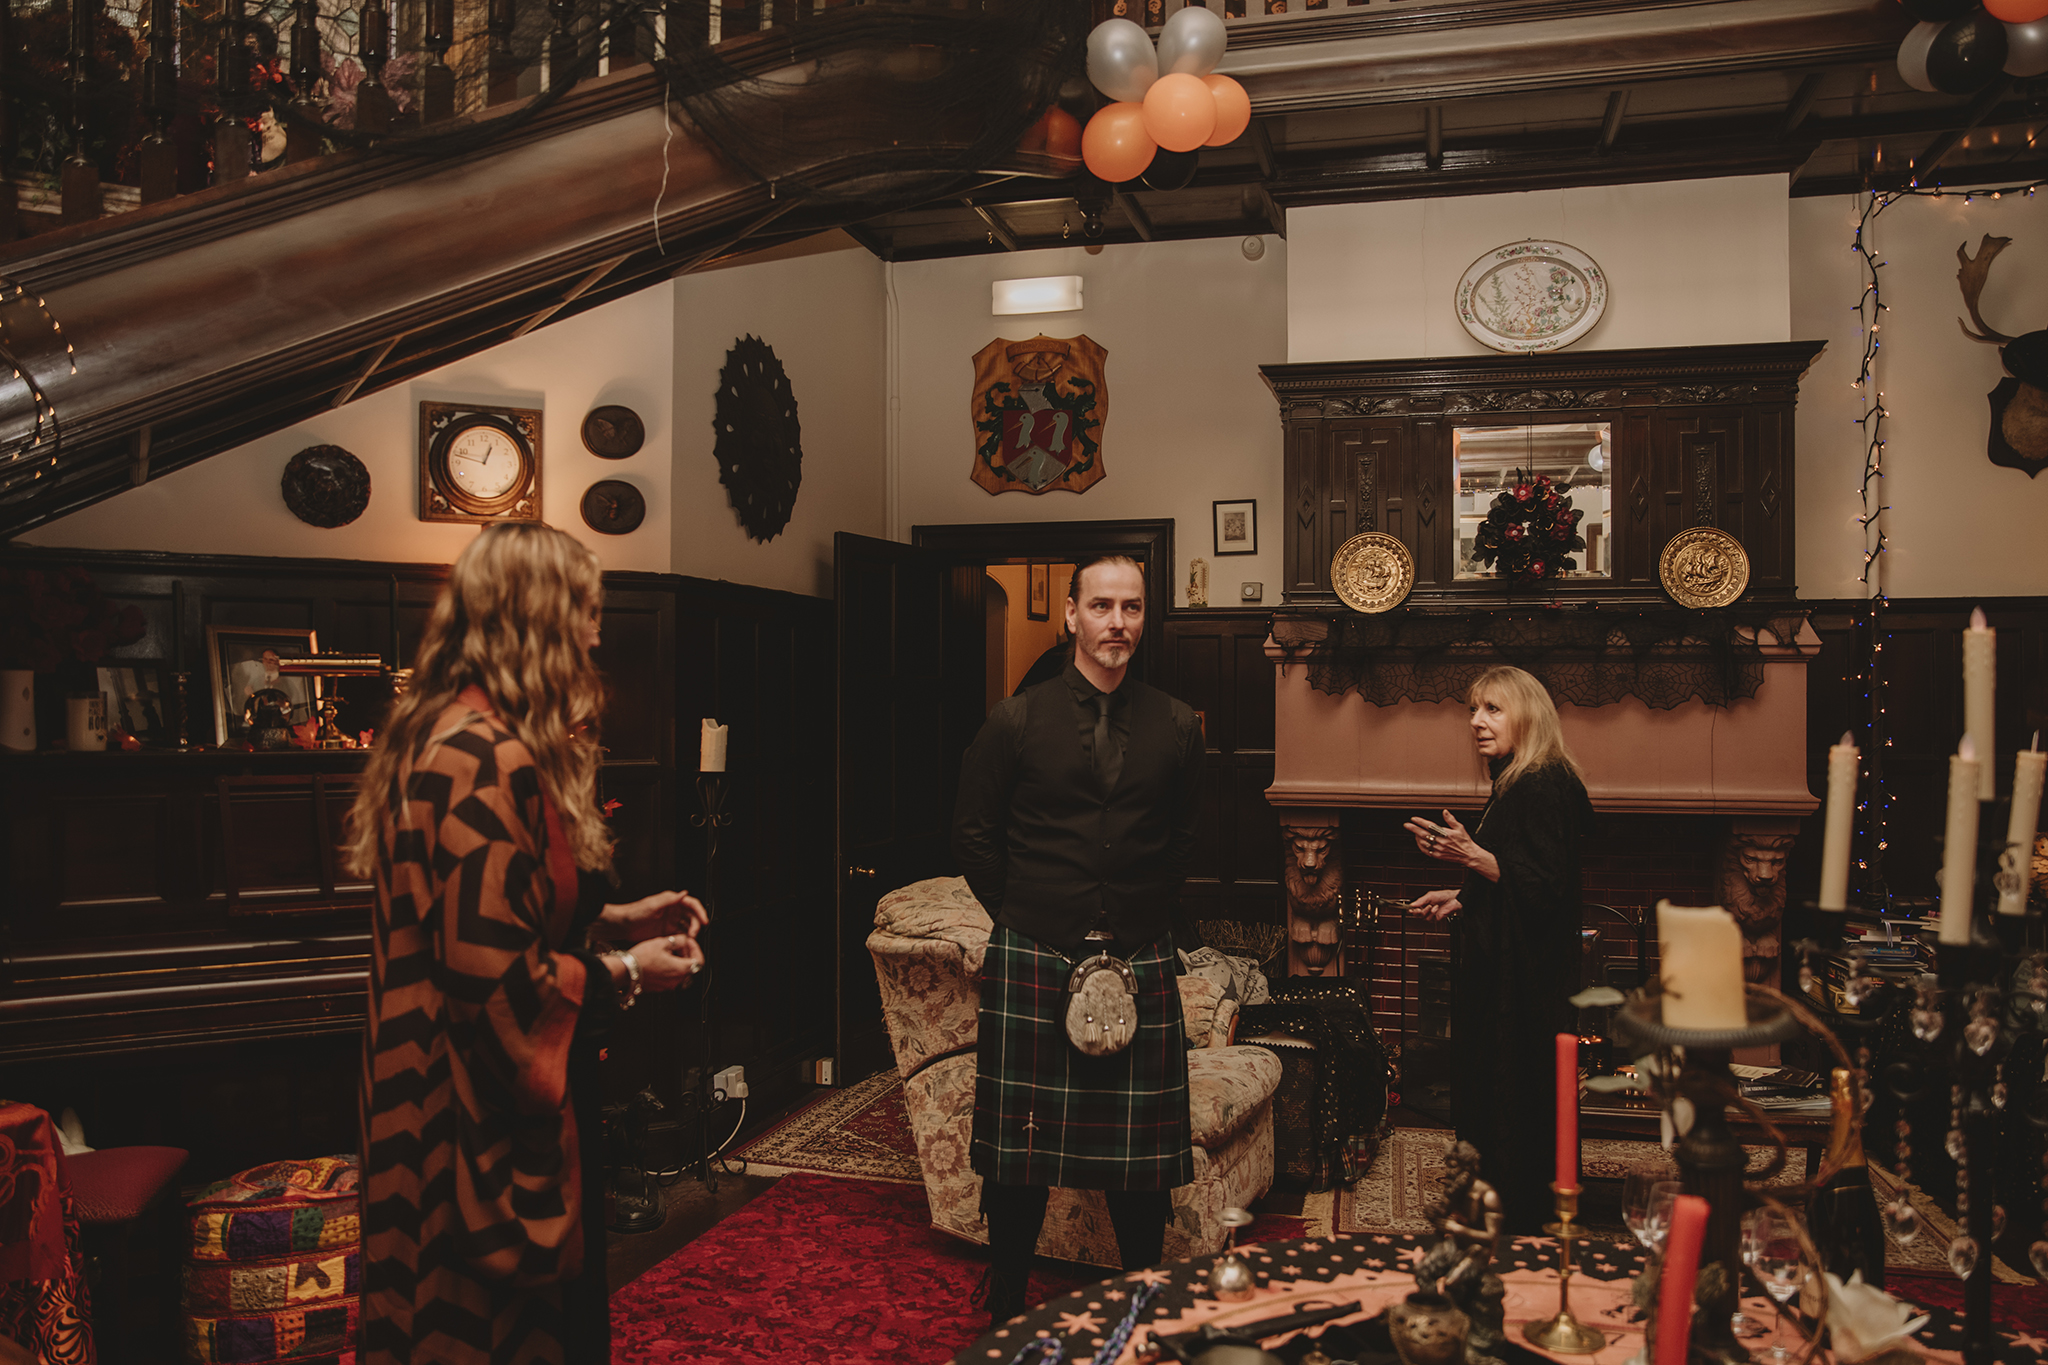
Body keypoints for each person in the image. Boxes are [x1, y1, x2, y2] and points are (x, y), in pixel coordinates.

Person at [347, 524, 708, 1365]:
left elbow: (493, 913)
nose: (594, 635)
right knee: (482, 1330)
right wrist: (626, 970)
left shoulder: (454, 731)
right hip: (461, 1110)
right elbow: (493, 976)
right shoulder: (478, 756)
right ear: (534, 620)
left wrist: (613, 920)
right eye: (585, 612)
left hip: (437, 1086)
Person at [953, 554, 1204, 1325]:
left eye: (1131, 607)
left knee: (1140, 1161)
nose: (1117, 622)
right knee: (1020, 1154)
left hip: (1140, 952)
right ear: (1071, 615)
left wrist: (1142, 912)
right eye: (1101, 605)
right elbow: (973, 833)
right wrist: (1025, 914)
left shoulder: (1176, 722)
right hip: (1036, 951)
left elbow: (1184, 837)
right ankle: (1006, 1300)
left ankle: (1140, 1301)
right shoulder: (1015, 719)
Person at [1404, 664, 1593, 1235]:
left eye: (1493, 709)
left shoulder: (1542, 784)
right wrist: (1463, 895)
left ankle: (1516, 1221)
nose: (1477, 722)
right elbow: (1517, 873)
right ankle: (1491, 1205)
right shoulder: (1519, 779)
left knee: (1517, 1097)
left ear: (1527, 716)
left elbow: (1547, 889)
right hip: (1512, 977)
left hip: (1528, 989)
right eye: (1473, 710)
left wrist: (1474, 858)